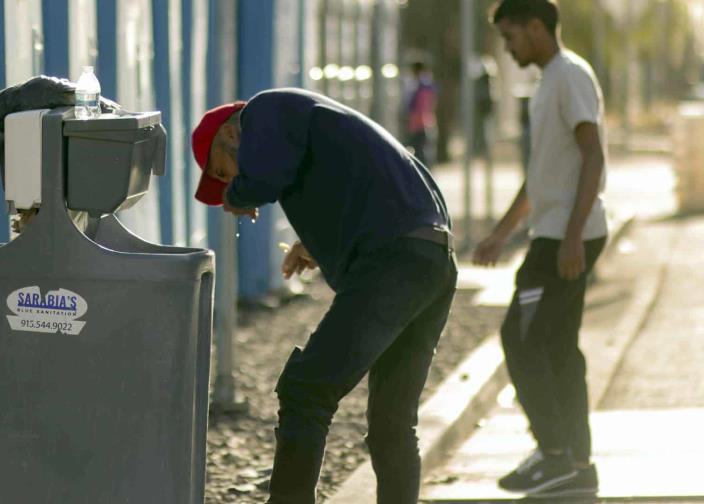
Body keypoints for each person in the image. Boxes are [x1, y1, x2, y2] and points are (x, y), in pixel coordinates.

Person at [191, 89, 457, 504]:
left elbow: (262, 180)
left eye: (223, 172)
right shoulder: (308, 120)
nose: (228, 184)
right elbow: (356, 186)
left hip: (394, 264)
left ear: (230, 135)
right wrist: (316, 242)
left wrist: (236, 195)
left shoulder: (264, 111)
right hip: (432, 260)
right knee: (392, 423)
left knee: (306, 390)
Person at [474, 0, 609, 497]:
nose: (508, 50)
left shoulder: (568, 75)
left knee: (521, 338)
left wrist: (572, 236)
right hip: (557, 232)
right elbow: (541, 178)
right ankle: (575, 462)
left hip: (563, 239)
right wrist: (501, 232)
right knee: (556, 348)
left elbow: (592, 155)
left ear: (536, 27)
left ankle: (553, 455)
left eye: (511, 38)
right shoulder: (550, 79)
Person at [400, 60, 438, 169]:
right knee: (420, 149)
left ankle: (422, 171)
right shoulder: (425, 85)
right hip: (423, 122)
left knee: (419, 150)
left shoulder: (421, 86)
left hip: (419, 123)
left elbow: (419, 107)